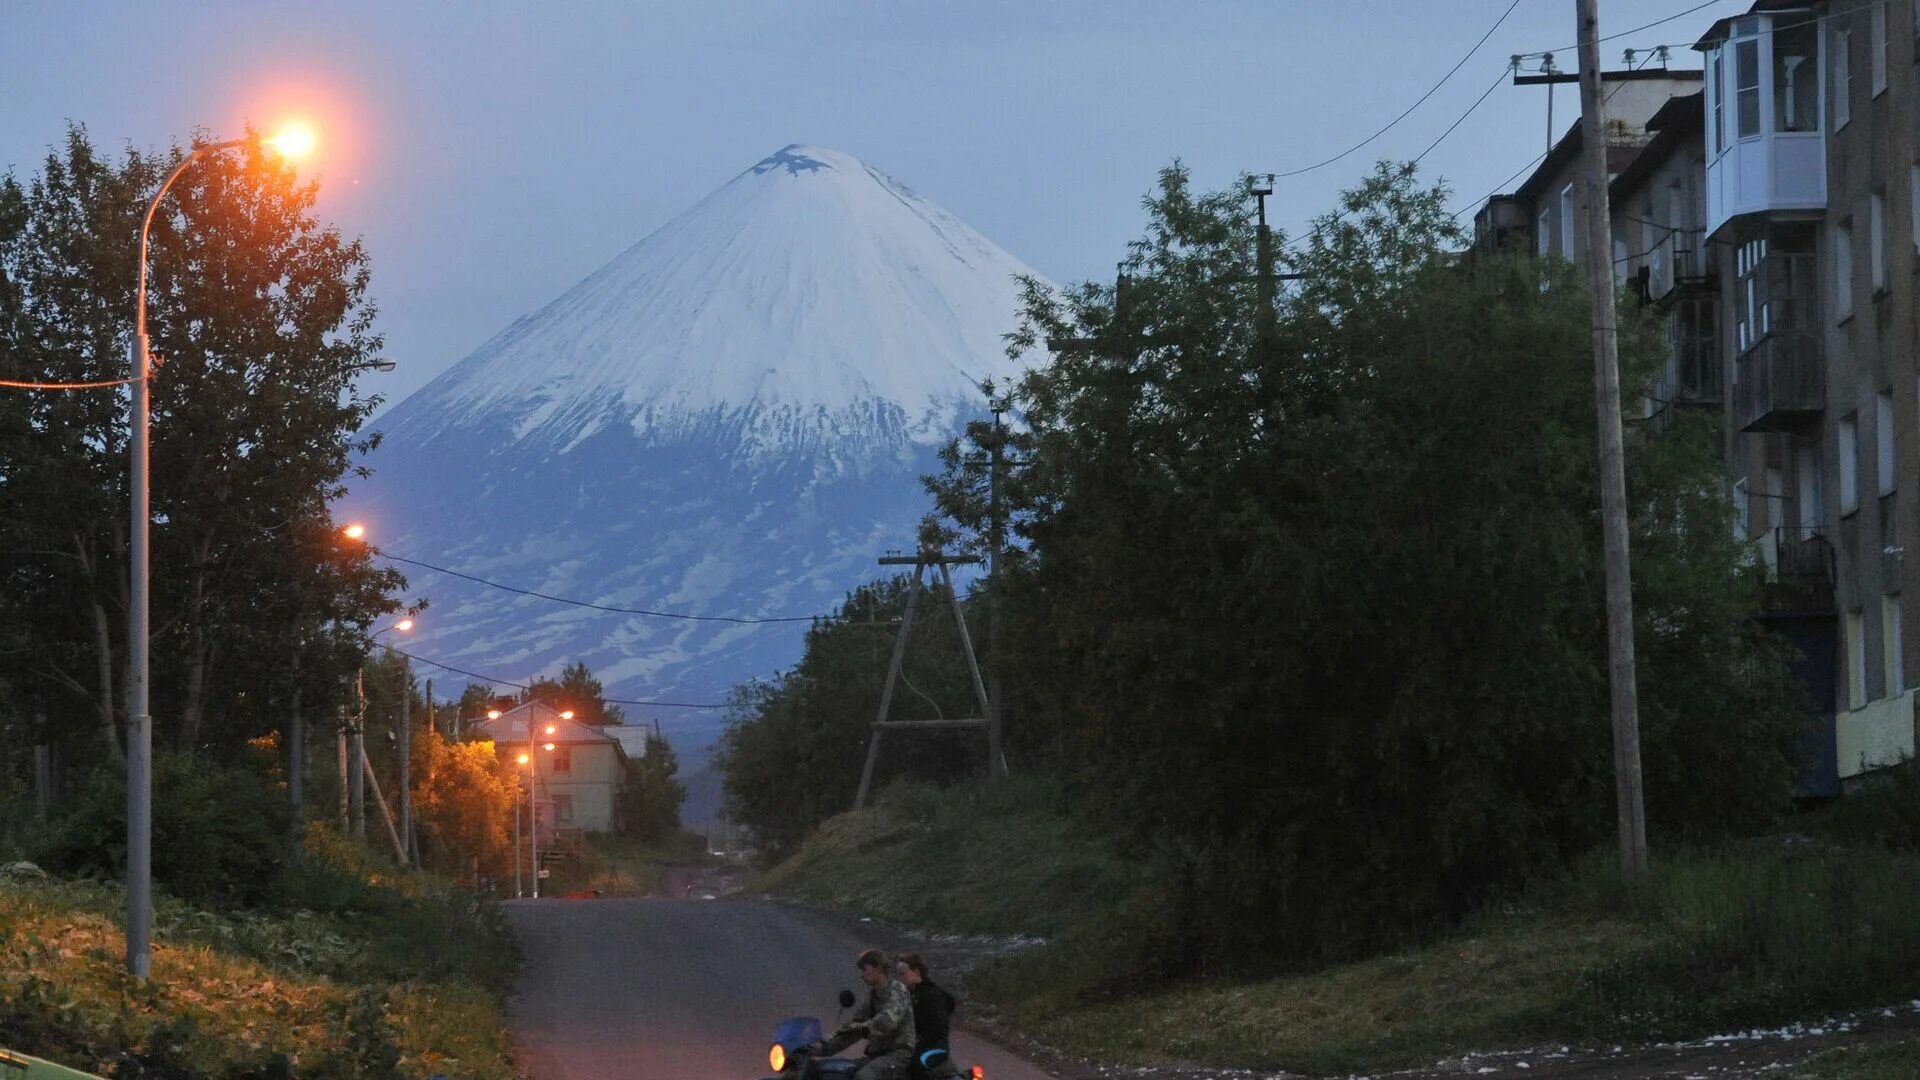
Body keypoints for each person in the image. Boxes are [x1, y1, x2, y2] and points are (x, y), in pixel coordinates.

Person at [819, 949, 916, 1079]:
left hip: (899, 1055)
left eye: (865, 969)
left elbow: (884, 1023)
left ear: (878, 968)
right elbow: (855, 1028)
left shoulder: (898, 991)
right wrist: (822, 1047)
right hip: (877, 1056)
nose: (862, 974)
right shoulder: (872, 995)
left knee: (864, 1077)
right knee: (834, 1070)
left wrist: (855, 1028)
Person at [896, 953, 956, 1057]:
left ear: (916, 972)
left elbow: (936, 1029)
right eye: (899, 974)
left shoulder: (930, 995)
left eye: (903, 974)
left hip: (931, 1050)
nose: (900, 978)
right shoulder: (913, 994)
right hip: (921, 1047)